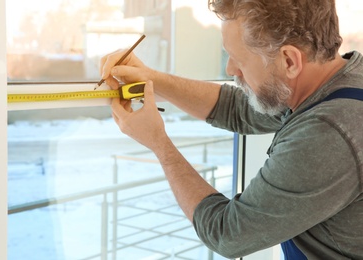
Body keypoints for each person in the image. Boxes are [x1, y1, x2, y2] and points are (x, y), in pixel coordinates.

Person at [100, 0, 363, 259]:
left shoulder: (326, 134)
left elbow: (227, 234)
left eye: (239, 60)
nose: (230, 69)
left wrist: (159, 144)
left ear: (290, 61)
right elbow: (239, 108)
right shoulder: (339, 80)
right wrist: (153, 79)